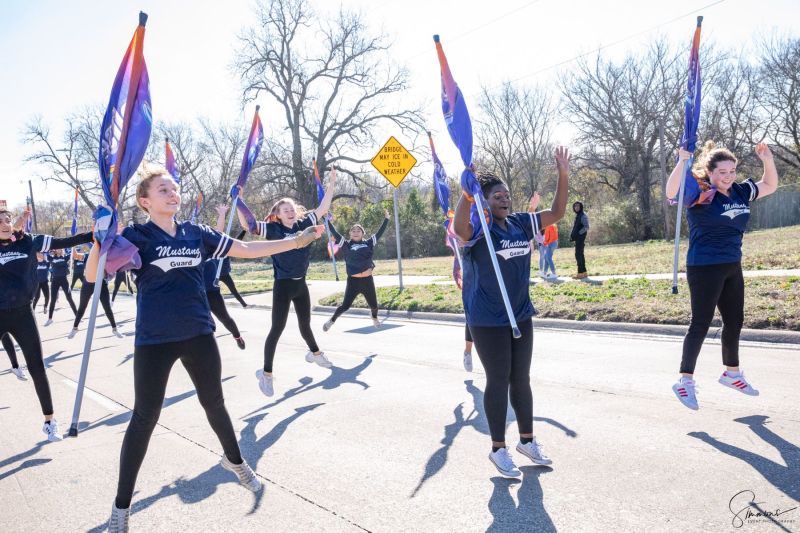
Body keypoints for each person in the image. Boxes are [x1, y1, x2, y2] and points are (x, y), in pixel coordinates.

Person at [90, 168, 323, 531]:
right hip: (154, 340)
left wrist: (295, 242)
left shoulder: (194, 232)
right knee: (144, 419)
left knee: (214, 403)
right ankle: (121, 506)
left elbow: (245, 249)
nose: (172, 193)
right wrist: (99, 242)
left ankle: (236, 462)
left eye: (174, 188)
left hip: (198, 333)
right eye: (163, 189)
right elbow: (93, 275)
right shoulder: (136, 236)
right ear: (145, 200)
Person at [452, 146, 569, 478]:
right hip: (487, 318)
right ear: (485, 201)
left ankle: (527, 442)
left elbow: (558, 213)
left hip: (520, 313)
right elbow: (460, 229)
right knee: (499, 379)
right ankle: (498, 449)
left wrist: (563, 174)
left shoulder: (520, 222)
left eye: (506, 195)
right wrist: (466, 195)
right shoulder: (479, 229)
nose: (504, 199)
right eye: (496, 196)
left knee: (522, 378)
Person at [666, 142, 778, 410]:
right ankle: (685, 381)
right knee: (701, 323)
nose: (728, 176)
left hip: (731, 265)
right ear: (710, 171)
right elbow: (672, 191)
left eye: (732, 170)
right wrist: (681, 162)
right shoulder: (701, 191)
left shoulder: (740, 191)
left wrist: (768, 159)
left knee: (735, 321)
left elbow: (769, 185)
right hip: (704, 266)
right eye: (722, 172)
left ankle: (732, 373)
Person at [238, 167, 337, 398]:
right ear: (278, 214)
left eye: (292, 208)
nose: (290, 212)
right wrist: (240, 202)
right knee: (277, 329)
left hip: (301, 285)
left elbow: (323, 208)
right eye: (285, 210)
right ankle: (267, 374)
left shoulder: (305, 223)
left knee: (305, 326)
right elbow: (249, 226)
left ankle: (315, 353)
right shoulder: (272, 229)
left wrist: (331, 183)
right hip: (282, 286)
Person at [0, 207, 92, 441]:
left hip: (23, 314)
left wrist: (92, 235)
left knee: (37, 367)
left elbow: (65, 240)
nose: (5, 222)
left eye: (7, 218)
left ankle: (50, 422)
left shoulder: (29, 242)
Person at [322, 209, 390, 331]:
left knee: (374, 306)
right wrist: (325, 219)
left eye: (358, 230)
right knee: (345, 306)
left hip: (367, 280)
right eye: (353, 230)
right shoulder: (346, 244)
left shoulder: (369, 243)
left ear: (363, 233)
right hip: (353, 281)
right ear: (350, 234)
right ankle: (331, 320)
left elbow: (380, 233)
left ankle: (374, 317)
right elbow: (334, 232)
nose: (356, 232)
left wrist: (386, 219)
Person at [204, 205, 245, 350]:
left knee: (225, 319)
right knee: (205, 324)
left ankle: (237, 336)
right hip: (196, 294)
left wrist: (222, 214)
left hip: (212, 292)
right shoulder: (189, 253)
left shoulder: (211, 249)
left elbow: (219, 232)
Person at [66, 274, 123, 339]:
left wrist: (106, 275)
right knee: (82, 307)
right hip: (88, 282)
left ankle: (114, 329)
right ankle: (75, 328)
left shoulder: (105, 263)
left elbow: (110, 276)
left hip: (101, 283)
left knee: (107, 308)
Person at [44, 248, 78, 326]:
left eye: (60, 249)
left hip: (64, 280)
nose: (59, 249)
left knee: (69, 298)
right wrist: (51, 250)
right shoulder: (51, 258)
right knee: (52, 300)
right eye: (58, 248)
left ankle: (77, 316)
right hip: (55, 281)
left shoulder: (65, 258)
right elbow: (45, 253)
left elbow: (73, 253)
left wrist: (73, 247)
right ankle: (50, 319)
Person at [218, 237, 247, 307]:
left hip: (225, 275)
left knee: (233, 290)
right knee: (211, 291)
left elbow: (237, 240)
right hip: (215, 275)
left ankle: (244, 305)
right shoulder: (215, 251)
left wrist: (244, 230)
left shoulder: (228, 251)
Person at [569, 201, 589, 279]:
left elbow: (586, 227)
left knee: (578, 255)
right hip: (578, 239)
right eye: (575, 206)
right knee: (580, 255)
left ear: (581, 207)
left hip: (580, 239)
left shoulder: (583, 215)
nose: (576, 208)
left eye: (578, 206)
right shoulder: (578, 215)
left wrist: (579, 234)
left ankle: (580, 273)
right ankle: (584, 273)